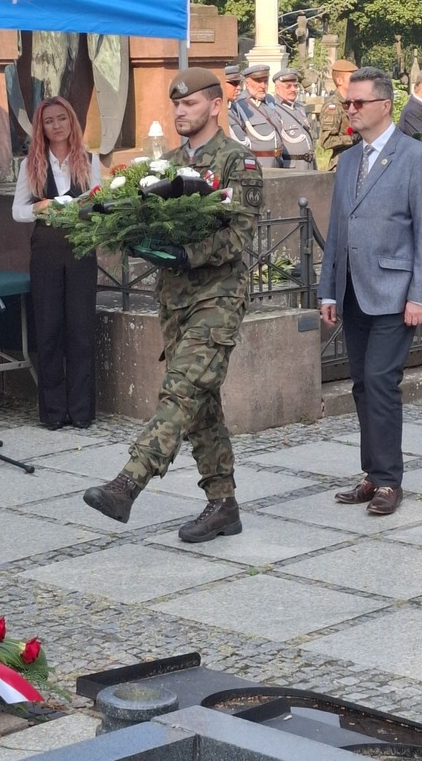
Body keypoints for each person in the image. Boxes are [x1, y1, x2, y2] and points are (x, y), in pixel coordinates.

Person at [83, 67, 264, 542]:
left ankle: (127, 483)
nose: (181, 111)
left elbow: (238, 236)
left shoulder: (237, 163)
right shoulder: (162, 165)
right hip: (175, 300)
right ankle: (223, 505)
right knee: (201, 404)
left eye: (190, 104)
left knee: (181, 392)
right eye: (176, 105)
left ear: (215, 105)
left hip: (218, 298)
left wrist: (188, 253)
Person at [319, 67, 422, 516]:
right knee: (361, 384)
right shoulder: (350, 159)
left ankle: (390, 480)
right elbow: (337, 228)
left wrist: (419, 296)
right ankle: (372, 475)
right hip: (353, 290)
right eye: (347, 103)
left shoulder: (417, 157)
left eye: (358, 103)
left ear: (385, 106)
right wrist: (328, 290)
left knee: (380, 380)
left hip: (395, 292)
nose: (349, 110)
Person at [12, 96, 101, 430]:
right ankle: (52, 413)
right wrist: (40, 207)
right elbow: (17, 210)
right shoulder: (31, 164)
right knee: (49, 329)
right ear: (41, 128)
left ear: (71, 121)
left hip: (80, 247)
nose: (56, 126)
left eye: (62, 118)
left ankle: (81, 412)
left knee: (80, 330)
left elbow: (101, 201)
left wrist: (85, 208)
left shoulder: (89, 159)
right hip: (47, 248)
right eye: (49, 121)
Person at [233, 64, 285, 167]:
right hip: (257, 164)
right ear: (246, 83)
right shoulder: (239, 104)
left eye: (265, 81)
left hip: (278, 162)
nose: (262, 85)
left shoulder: (270, 100)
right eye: (258, 81)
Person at [318, 59, 361, 169]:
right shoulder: (333, 107)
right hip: (342, 163)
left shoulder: (353, 102)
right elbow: (326, 141)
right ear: (339, 81)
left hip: (357, 160)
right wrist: (353, 138)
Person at [272, 68, 317, 168]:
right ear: (277, 88)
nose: (293, 89)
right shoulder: (273, 109)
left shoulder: (299, 108)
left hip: (309, 165)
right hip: (291, 166)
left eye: (295, 86)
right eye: (288, 86)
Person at [223, 63, 248, 147]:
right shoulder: (216, 112)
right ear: (221, 83)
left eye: (239, 83)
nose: (239, 88)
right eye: (234, 83)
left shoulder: (234, 108)